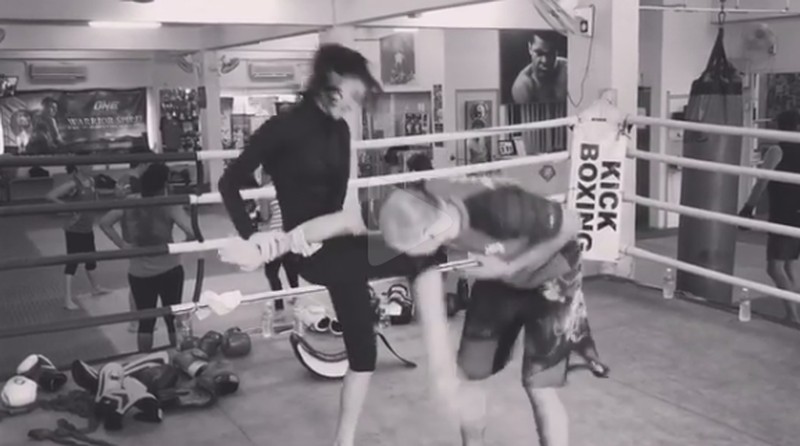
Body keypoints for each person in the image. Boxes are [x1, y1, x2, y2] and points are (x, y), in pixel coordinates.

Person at [217, 43, 436, 446]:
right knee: (423, 250)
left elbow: (338, 205)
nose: (353, 106)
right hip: (307, 253)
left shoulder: (340, 130)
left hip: (336, 242)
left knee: (364, 355)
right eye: (352, 95)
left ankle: (343, 441)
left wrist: (347, 231)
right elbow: (229, 182)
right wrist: (254, 236)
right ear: (331, 80)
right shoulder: (284, 127)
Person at [378, 178, 609, 446]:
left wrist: (508, 267)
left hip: (552, 274)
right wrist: (441, 371)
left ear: (430, 233)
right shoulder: (421, 211)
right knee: (470, 374)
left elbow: (571, 224)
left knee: (539, 384)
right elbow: (427, 287)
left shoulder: (498, 206)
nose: (407, 257)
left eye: (408, 250)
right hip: (496, 275)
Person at [99, 163, 195, 352]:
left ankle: (145, 360)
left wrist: (123, 245)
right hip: (169, 268)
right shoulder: (169, 204)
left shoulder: (130, 201)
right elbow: (192, 232)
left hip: (139, 272)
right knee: (171, 317)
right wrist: (179, 248)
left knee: (146, 322)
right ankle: (177, 358)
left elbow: (104, 223)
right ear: (165, 184)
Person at [739, 109, 800, 324]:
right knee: (788, 265)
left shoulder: (777, 150)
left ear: (778, 127)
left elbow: (762, 182)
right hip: (796, 213)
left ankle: (793, 315)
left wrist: (748, 208)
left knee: (774, 267)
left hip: (784, 214)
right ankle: (793, 312)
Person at [46, 155, 109, 310]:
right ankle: (67, 299)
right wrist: (69, 208)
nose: (92, 167)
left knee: (91, 259)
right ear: (79, 167)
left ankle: (95, 288)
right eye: (88, 165)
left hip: (87, 227)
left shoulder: (92, 181)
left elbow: (94, 200)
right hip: (74, 229)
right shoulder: (73, 183)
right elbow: (50, 196)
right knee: (72, 263)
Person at [116, 147, 155, 332]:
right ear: (144, 163)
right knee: (140, 279)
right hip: (136, 233)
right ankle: (135, 319)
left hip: (133, 230)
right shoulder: (134, 182)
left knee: (141, 276)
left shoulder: (124, 179)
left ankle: (137, 318)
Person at [511, 32, 568, 104]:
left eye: (551, 53)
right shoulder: (523, 86)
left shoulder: (568, 69)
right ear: (530, 48)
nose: (545, 61)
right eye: (539, 53)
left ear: (557, 51)